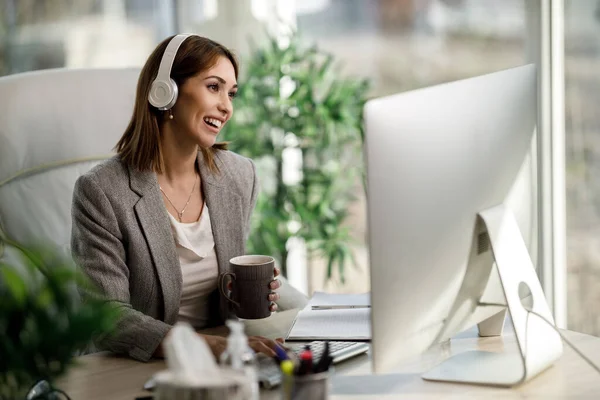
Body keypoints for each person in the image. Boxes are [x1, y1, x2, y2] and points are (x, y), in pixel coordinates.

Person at [71, 34, 303, 362]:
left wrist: (241, 296)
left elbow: (225, 301)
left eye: (231, 93)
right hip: (140, 366)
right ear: (164, 92)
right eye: (213, 87)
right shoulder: (102, 192)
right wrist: (206, 346)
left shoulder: (239, 177)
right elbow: (105, 317)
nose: (227, 107)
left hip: (226, 359)